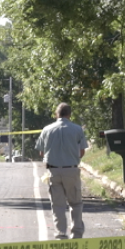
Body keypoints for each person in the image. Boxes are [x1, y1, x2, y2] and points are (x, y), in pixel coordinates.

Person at [35, 103, 89, 240]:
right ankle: (76, 233)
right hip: (71, 170)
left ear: (56, 114)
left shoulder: (47, 130)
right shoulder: (77, 129)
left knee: (58, 205)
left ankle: (60, 233)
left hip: (53, 171)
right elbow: (82, 152)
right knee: (75, 203)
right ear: (69, 114)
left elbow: (41, 152)